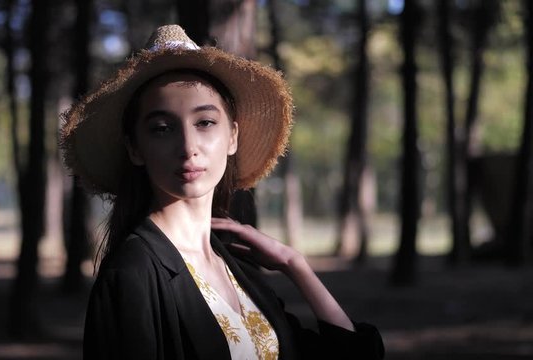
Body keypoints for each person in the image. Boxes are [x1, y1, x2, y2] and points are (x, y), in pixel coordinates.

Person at [61, 24, 384, 360]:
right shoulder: (133, 272)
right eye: (161, 129)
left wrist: (294, 264)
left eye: (205, 123)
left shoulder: (232, 265)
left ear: (232, 136)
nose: (188, 148)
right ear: (135, 149)